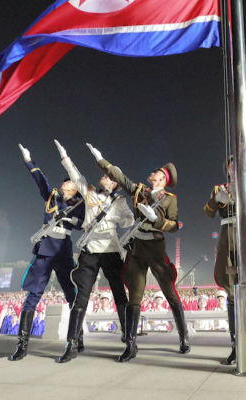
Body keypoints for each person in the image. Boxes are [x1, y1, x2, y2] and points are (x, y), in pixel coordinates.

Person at [88, 142, 189, 362]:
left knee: (169, 291)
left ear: (163, 180)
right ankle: (131, 345)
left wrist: (157, 220)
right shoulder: (139, 191)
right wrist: (101, 160)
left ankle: (184, 337)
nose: (152, 173)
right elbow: (120, 177)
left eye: (157, 173)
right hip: (136, 248)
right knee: (134, 294)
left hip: (155, 247)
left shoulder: (170, 200)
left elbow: (174, 225)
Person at [55, 141, 135, 363]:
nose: (103, 177)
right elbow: (75, 175)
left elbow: (129, 220)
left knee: (120, 294)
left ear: (114, 182)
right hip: (90, 248)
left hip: (110, 249)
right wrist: (64, 156)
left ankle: (129, 342)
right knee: (81, 296)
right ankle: (71, 345)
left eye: (108, 176)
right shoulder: (89, 192)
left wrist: (120, 217)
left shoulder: (119, 201)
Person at [11, 144, 85, 361]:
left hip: (62, 251)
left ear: (76, 188)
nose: (65, 183)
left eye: (69, 181)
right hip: (44, 249)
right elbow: (40, 180)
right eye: (64, 181)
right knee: (33, 295)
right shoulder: (52, 197)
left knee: (72, 296)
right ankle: (21, 345)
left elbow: (83, 224)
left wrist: (72, 219)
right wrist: (29, 161)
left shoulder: (80, 204)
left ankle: (76, 339)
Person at [203, 155, 246, 364]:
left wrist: (240, 195)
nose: (234, 167)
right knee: (231, 292)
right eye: (231, 165)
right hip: (227, 238)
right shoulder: (218, 189)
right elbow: (208, 212)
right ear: (227, 169)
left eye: (238, 164)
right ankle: (235, 346)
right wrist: (216, 200)